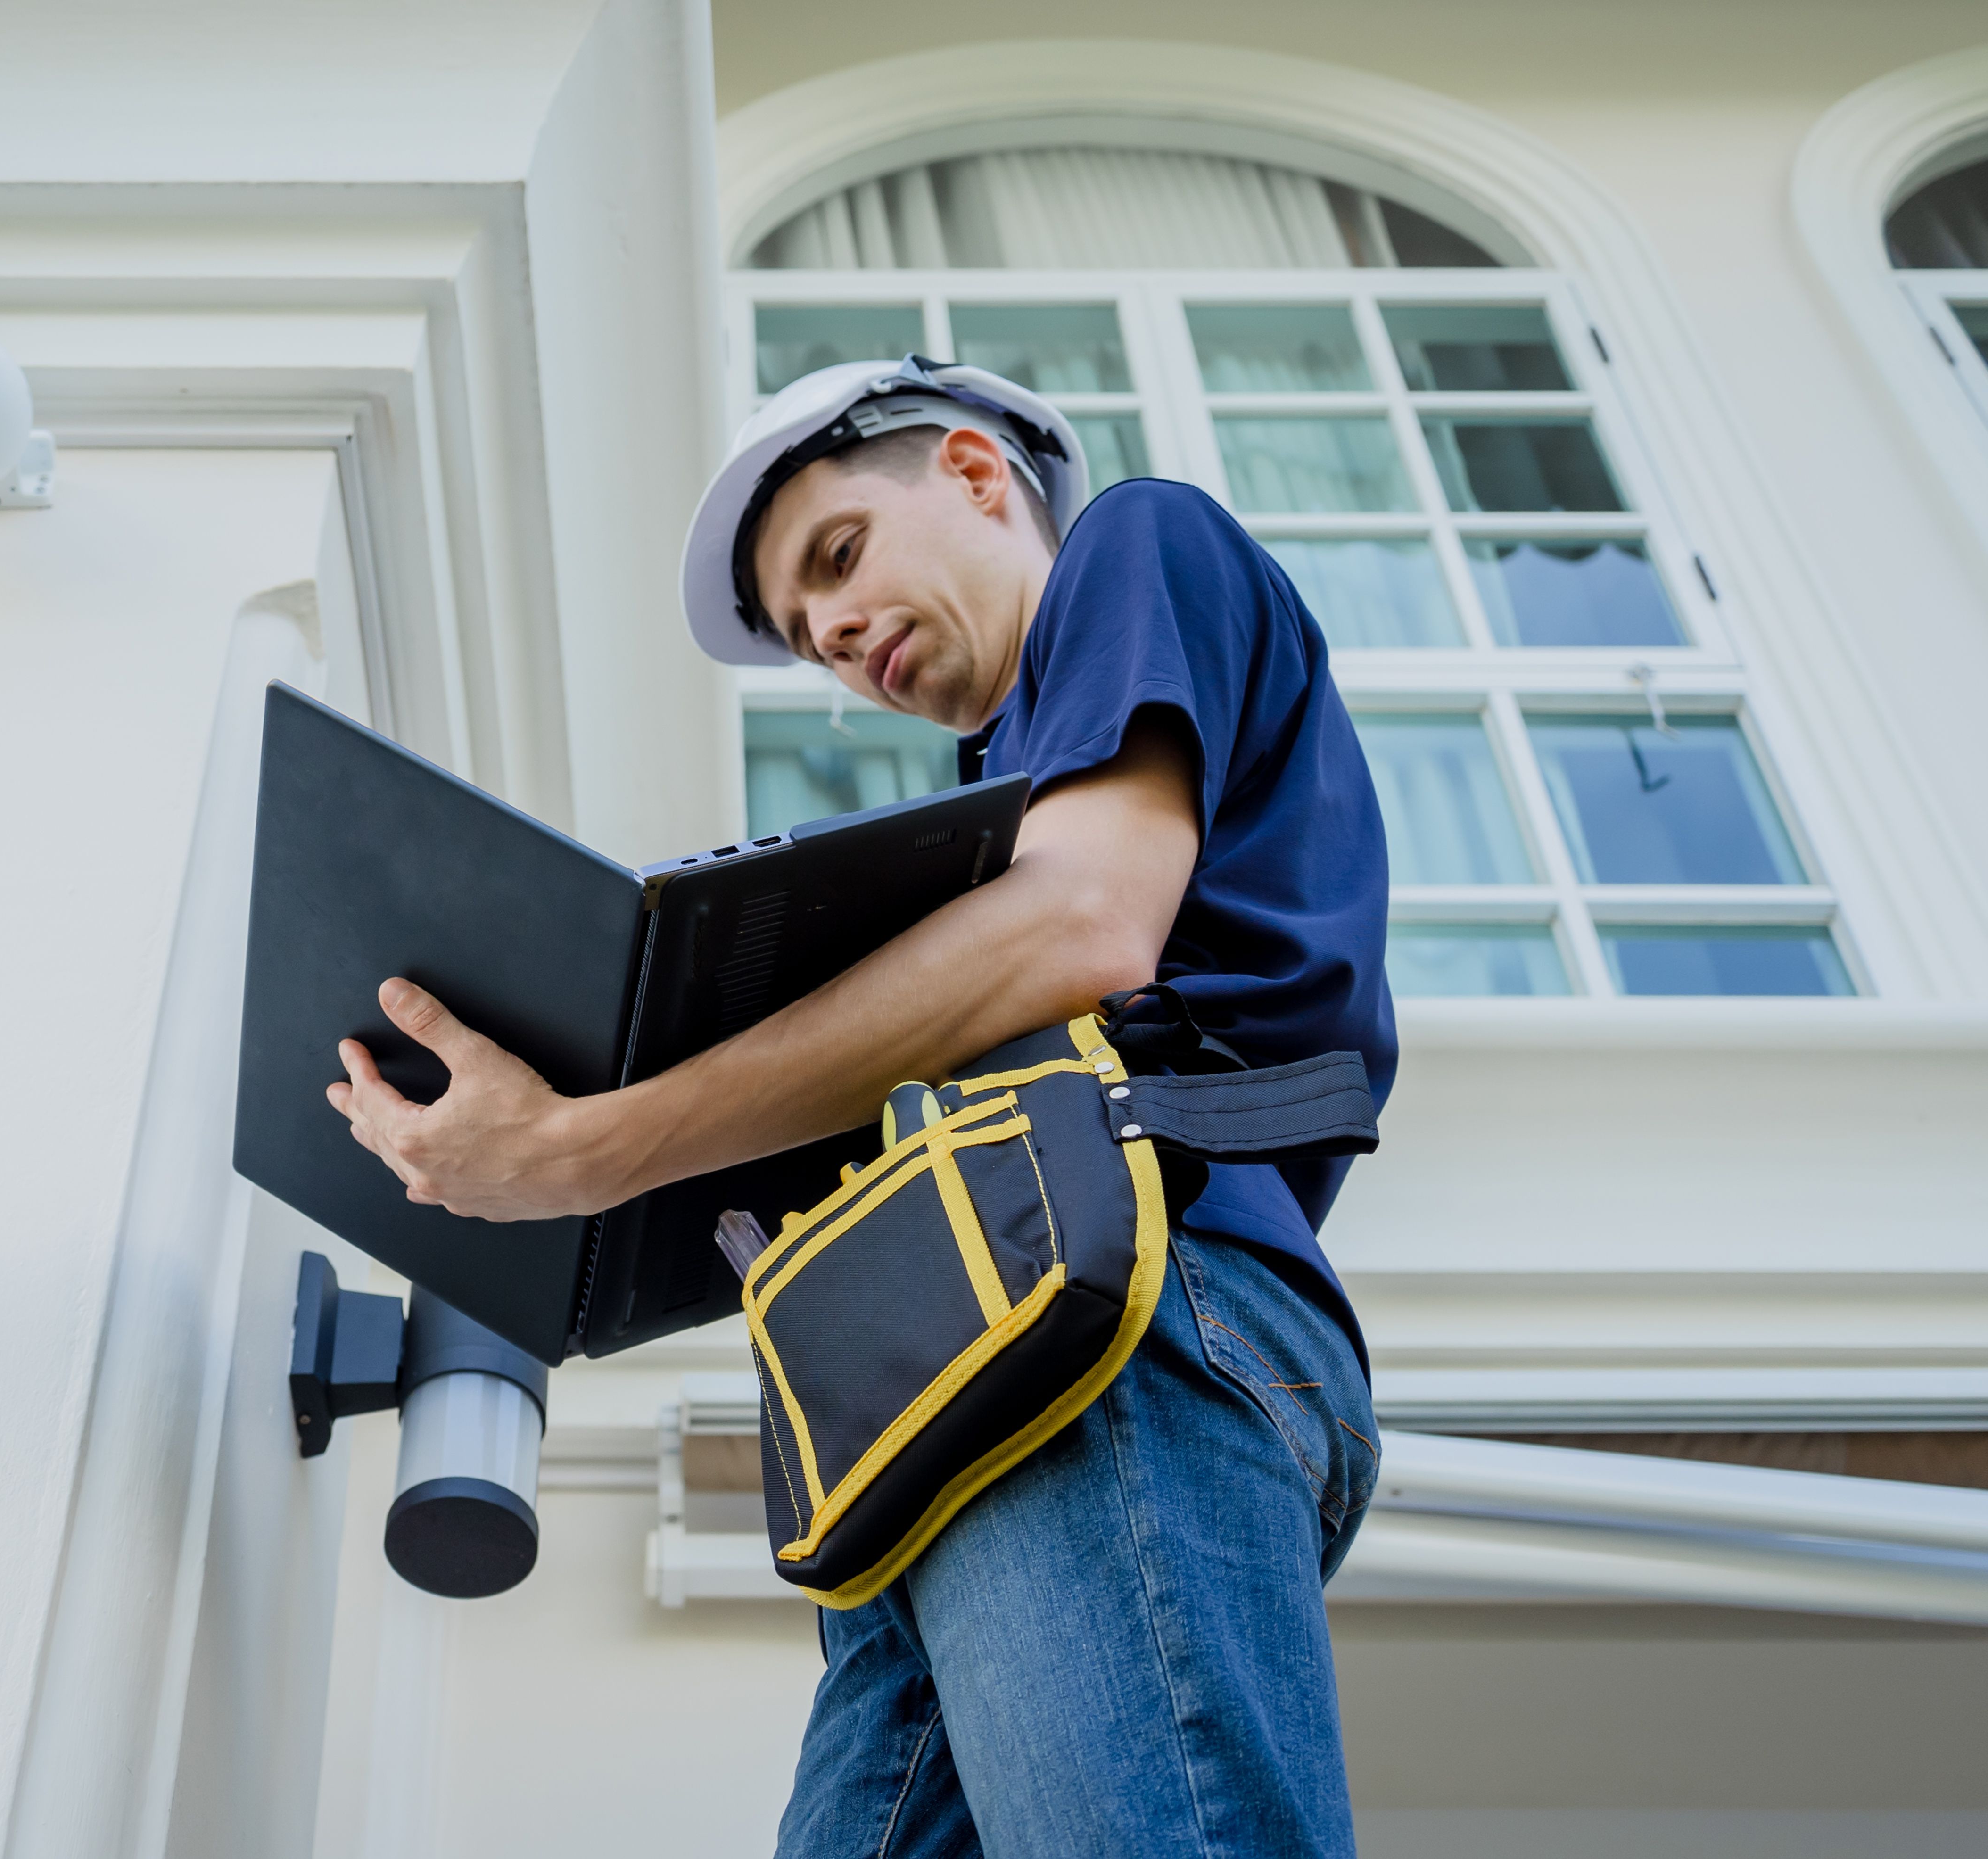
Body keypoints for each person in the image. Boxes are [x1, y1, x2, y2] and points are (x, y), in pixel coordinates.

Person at [327, 356, 1396, 1858]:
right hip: (946, 1389)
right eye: (802, 633)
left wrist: (588, 1149)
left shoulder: (1136, 544)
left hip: (1115, 1330)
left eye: (837, 557)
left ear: (974, 472)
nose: (829, 635)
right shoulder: (998, 795)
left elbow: (1086, 922)